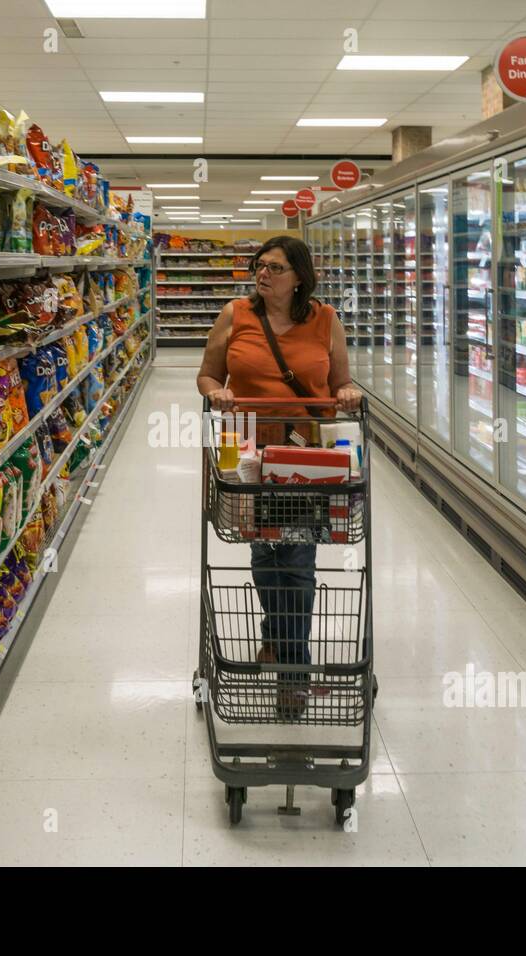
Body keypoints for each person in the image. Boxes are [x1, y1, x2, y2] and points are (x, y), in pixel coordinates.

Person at [196, 235, 362, 719]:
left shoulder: (327, 321)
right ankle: (275, 637)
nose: (262, 274)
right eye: (259, 265)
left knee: (296, 556)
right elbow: (206, 374)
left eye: (274, 267)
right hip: (246, 452)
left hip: (305, 456)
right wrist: (217, 394)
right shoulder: (235, 315)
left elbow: (340, 383)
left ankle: (294, 671)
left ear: (299, 279)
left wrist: (348, 392)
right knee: (264, 553)